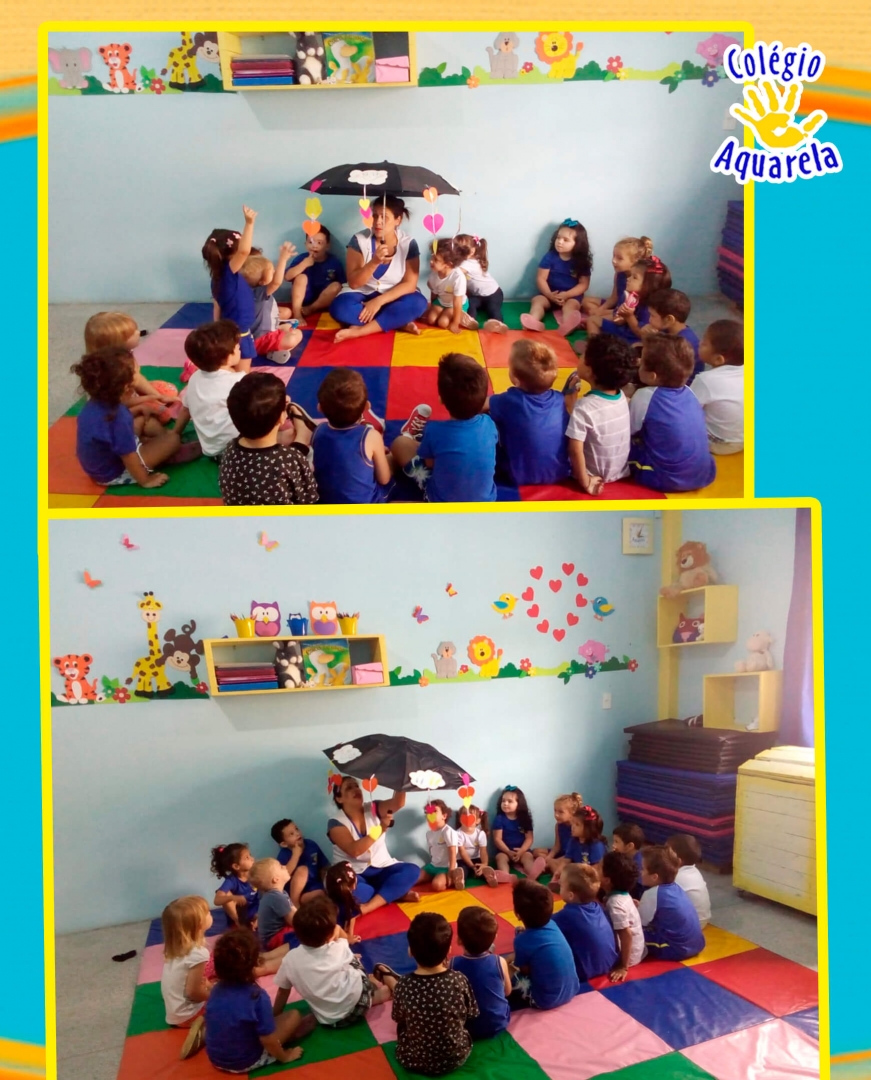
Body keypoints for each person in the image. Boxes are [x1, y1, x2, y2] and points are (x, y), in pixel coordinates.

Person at [71, 346, 187, 489]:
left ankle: (157, 444)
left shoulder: (96, 402)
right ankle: (165, 450)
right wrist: (146, 480)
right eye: (136, 372)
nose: (140, 371)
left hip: (105, 460)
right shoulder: (118, 418)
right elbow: (128, 456)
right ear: (127, 388)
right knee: (173, 439)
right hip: (115, 471)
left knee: (144, 419)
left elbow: (107, 429)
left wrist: (139, 408)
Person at [377, 912, 478, 1075]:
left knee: (404, 1026)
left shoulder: (404, 985)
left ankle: (388, 978)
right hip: (457, 1056)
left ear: (410, 951)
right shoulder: (458, 979)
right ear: (449, 951)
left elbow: (398, 1017)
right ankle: (389, 978)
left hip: (415, 1059)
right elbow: (471, 1013)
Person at [390, 353, 498, 503]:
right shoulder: (489, 424)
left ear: (441, 399)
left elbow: (429, 463)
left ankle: (408, 437)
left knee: (399, 444)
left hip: (441, 502)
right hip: (486, 503)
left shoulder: (435, 431)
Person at [204, 928, 315, 1072]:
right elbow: (267, 1039)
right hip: (246, 1061)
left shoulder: (215, 989)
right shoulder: (256, 997)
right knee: (294, 1015)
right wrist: (285, 1056)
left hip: (216, 1060)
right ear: (256, 963)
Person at [273, 895, 392, 1027]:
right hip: (359, 1005)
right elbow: (344, 939)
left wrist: (275, 1014)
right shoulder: (338, 947)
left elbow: (283, 991)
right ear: (330, 935)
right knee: (353, 960)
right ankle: (381, 994)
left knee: (342, 966)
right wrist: (338, 931)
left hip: (330, 1021)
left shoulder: (289, 959)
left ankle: (373, 991)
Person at [329, 196, 428, 343]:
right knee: (340, 309)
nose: (377, 222)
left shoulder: (408, 244)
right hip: (361, 293)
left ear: (398, 220)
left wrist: (378, 302)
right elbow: (354, 283)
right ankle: (396, 321)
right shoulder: (359, 240)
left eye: (384, 217)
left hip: (392, 295)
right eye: (375, 216)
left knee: (418, 303)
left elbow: (410, 284)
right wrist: (374, 262)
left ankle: (361, 330)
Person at [628, 334, 716, 493]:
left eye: (642, 362)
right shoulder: (690, 392)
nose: (639, 363)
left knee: (621, 443)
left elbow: (630, 430)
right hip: (704, 474)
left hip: (664, 478)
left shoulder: (644, 396)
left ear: (652, 376)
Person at [218, 372, 319, 506]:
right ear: (282, 418)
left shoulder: (230, 449)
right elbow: (308, 498)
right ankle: (303, 437)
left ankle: (287, 437)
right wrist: (300, 444)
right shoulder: (291, 458)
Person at [327, 775, 421, 915]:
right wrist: (381, 828)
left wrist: (402, 777)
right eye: (349, 787)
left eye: (356, 786)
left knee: (412, 871)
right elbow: (355, 850)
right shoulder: (335, 823)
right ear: (339, 799)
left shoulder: (374, 807)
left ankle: (370, 906)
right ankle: (392, 893)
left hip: (381, 867)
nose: (356, 789)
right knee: (357, 892)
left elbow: (398, 803)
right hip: (354, 874)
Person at [486, 339, 571, 487]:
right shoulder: (560, 399)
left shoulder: (509, 400)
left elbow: (479, 404)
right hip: (560, 472)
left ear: (516, 380)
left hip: (516, 475)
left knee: (485, 419)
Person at [564, 333, 635, 495]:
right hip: (620, 471)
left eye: (582, 356)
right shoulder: (621, 397)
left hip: (593, 474)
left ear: (589, 372)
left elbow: (575, 449)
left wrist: (585, 482)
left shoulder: (584, 407)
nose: (579, 357)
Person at [83, 311, 181, 425]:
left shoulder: (124, 356)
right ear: (117, 344)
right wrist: (149, 399)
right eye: (132, 334)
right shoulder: (110, 374)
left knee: (168, 390)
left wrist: (158, 396)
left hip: (131, 394)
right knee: (161, 414)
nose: (138, 333)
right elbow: (119, 404)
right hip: (118, 409)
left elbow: (136, 378)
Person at [312, 369, 393, 503]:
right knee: (392, 456)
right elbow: (384, 479)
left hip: (326, 505)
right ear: (366, 407)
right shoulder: (371, 436)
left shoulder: (318, 431)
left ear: (319, 408)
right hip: (365, 506)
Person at [177, 321, 247, 460]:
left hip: (211, 451)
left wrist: (175, 432)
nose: (240, 348)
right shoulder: (239, 381)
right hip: (238, 449)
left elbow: (186, 410)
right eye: (237, 347)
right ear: (228, 357)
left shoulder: (194, 378)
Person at [201, 206, 260, 367]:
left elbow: (217, 307)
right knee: (242, 376)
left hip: (231, 332)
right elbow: (244, 252)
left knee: (229, 368)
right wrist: (249, 224)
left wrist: (217, 330)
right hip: (239, 334)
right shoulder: (228, 273)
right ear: (232, 253)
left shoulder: (218, 277)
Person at [510, 880, 580, 1009]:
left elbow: (525, 971)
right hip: (572, 989)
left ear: (517, 914)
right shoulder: (553, 924)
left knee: (507, 973)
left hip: (545, 1000)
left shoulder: (521, 941)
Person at [160, 895, 212, 1055]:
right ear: (199, 924)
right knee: (231, 1003)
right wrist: (214, 996)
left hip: (174, 1013)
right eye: (208, 912)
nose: (211, 914)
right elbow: (192, 992)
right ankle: (204, 1033)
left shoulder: (175, 947)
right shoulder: (198, 954)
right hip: (188, 1015)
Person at [521, 219, 592, 337]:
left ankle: (568, 325)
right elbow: (541, 278)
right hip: (549, 294)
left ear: (577, 244)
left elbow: (583, 284)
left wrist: (567, 295)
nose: (560, 242)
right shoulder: (550, 257)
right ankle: (533, 320)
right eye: (558, 238)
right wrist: (549, 295)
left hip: (570, 296)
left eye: (565, 240)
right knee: (537, 301)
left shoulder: (581, 262)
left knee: (571, 307)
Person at [583, 255, 671, 346]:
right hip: (623, 331)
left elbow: (641, 334)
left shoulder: (651, 308)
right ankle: (594, 346)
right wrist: (620, 318)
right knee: (592, 320)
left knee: (637, 346)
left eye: (634, 277)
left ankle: (607, 346)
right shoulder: (627, 296)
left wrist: (629, 317)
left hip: (635, 338)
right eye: (630, 275)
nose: (628, 279)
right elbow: (617, 319)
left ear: (648, 285)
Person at [452, 907, 511, 1039]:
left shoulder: (453, 964)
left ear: (459, 940)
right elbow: (507, 992)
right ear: (494, 938)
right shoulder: (499, 961)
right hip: (498, 1023)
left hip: (467, 1027)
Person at [553, 863, 619, 981]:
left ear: (571, 895)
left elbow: (541, 925)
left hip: (583, 972)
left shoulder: (566, 916)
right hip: (609, 964)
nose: (558, 883)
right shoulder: (598, 907)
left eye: (561, 884)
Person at [638, 845, 705, 961]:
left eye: (642, 869)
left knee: (632, 934)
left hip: (676, 948)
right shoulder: (676, 887)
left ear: (654, 877)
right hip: (697, 943)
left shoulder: (651, 894)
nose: (639, 872)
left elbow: (640, 923)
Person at [240, 247, 303, 364]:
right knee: (297, 335)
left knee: (287, 323)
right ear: (262, 282)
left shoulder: (243, 290)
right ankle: (273, 352)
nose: (274, 272)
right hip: (262, 340)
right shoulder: (259, 292)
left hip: (250, 338)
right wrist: (283, 259)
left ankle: (276, 337)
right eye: (272, 272)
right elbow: (276, 282)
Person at [691, 319, 744, 454]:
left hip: (718, 444)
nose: (699, 343)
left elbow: (688, 410)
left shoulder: (705, 380)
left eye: (704, 343)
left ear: (718, 359)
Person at [581, 236, 654, 321]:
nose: (614, 260)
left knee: (596, 318)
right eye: (614, 256)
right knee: (586, 301)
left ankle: (596, 320)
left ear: (635, 261)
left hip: (625, 312)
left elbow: (631, 310)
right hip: (617, 307)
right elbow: (613, 298)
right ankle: (598, 317)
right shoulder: (619, 274)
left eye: (619, 258)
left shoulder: (637, 281)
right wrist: (600, 310)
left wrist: (601, 312)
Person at [285, 223, 346, 322]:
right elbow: (287, 277)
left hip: (324, 301)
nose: (314, 246)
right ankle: (297, 314)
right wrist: (303, 264)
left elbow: (343, 285)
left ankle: (312, 308)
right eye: (310, 242)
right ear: (305, 244)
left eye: (319, 243)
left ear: (327, 246)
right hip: (303, 298)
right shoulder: (302, 259)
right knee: (301, 278)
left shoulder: (334, 261)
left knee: (337, 286)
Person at [600, 851, 646, 983]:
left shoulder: (615, 903)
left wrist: (623, 966)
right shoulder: (621, 894)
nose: (595, 868)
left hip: (628, 956)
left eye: (598, 868)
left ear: (607, 880)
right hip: (637, 950)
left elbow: (626, 935)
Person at [453, 233, 507, 332]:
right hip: (477, 296)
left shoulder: (469, 264)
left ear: (472, 251)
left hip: (493, 294)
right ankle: (470, 320)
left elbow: (454, 274)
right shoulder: (466, 261)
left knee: (493, 309)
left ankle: (498, 324)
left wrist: (445, 264)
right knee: (471, 304)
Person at [423, 239, 479, 333]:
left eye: (436, 260)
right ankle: (446, 313)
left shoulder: (458, 277)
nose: (431, 261)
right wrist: (432, 306)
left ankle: (461, 316)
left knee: (443, 323)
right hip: (441, 302)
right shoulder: (433, 275)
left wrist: (455, 323)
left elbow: (457, 302)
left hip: (456, 305)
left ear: (448, 264)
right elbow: (434, 293)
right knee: (431, 320)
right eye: (432, 257)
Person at [270, 818, 330, 906]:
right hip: (301, 893)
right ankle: (295, 904)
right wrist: (295, 855)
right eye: (291, 834)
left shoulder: (310, 844)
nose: (297, 833)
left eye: (296, 829)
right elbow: (282, 877)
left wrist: (327, 881)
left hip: (316, 885)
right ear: (284, 844)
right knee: (303, 870)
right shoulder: (284, 855)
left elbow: (324, 866)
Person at [492, 785, 546, 880]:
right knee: (501, 859)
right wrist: (508, 852)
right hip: (504, 851)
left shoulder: (524, 819)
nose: (505, 803)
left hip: (522, 850)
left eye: (510, 801)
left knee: (528, 858)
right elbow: (497, 839)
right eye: (503, 801)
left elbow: (529, 838)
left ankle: (533, 874)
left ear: (519, 804)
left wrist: (521, 851)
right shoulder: (499, 819)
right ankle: (505, 875)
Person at [645, 289, 702, 378]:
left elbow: (664, 370)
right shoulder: (666, 330)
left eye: (652, 315)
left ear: (669, 319)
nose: (649, 320)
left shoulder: (684, 344)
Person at [533, 792, 584, 877]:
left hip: (570, 857)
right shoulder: (558, 826)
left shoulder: (575, 829)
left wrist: (552, 861)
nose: (556, 815)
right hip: (561, 853)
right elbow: (556, 847)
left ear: (572, 813)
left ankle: (551, 869)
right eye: (555, 810)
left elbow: (572, 854)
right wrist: (549, 857)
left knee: (554, 863)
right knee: (536, 851)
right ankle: (547, 865)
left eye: (561, 812)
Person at [250, 858, 296, 951]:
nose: (284, 866)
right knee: (304, 935)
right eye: (281, 867)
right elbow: (295, 921)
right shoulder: (276, 897)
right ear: (275, 879)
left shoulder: (277, 894)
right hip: (274, 939)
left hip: (271, 937)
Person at [667, 833, 711, 929]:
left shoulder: (677, 877)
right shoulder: (694, 871)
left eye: (667, 853)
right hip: (702, 919)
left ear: (679, 860)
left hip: (691, 924)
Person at [210, 843, 259, 929]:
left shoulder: (255, 874)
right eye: (247, 857)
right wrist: (233, 897)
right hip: (241, 914)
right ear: (236, 866)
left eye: (250, 855)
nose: (252, 858)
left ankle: (255, 922)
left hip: (256, 911)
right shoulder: (231, 881)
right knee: (226, 894)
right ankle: (240, 923)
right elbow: (217, 900)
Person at [454, 805, 505, 886]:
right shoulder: (457, 834)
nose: (467, 819)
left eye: (471, 817)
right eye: (464, 817)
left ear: (478, 820)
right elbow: (462, 852)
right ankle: (460, 880)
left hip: (477, 859)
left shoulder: (481, 833)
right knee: (462, 870)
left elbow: (483, 851)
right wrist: (472, 866)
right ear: (460, 819)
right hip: (462, 860)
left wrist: (484, 863)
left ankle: (489, 877)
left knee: (483, 869)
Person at [420, 799, 464, 891]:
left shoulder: (447, 831)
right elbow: (432, 850)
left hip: (445, 868)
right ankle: (436, 876)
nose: (431, 814)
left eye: (435, 811)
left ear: (444, 816)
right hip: (433, 866)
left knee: (437, 885)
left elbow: (452, 852)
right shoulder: (429, 833)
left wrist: (451, 870)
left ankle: (454, 879)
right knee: (413, 879)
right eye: (428, 812)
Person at [323, 862, 362, 943]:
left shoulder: (326, 903)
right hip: (334, 933)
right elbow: (338, 928)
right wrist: (349, 937)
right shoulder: (348, 903)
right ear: (353, 886)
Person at [564, 805, 607, 871]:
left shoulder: (596, 845)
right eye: (572, 823)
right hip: (579, 870)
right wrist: (558, 872)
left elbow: (596, 870)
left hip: (591, 874)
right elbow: (566, 860)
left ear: (588, 829)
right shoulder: (573, 840)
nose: (572, 827)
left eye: (577, 824)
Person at [612, 822, 646, 900]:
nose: (613, 845)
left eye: (616, 842)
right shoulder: (623, 857)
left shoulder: (636, 868)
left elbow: (635, 893)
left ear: (630, 846)